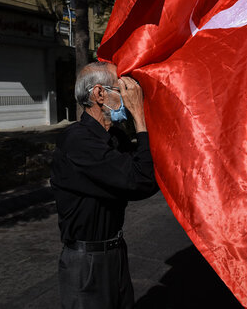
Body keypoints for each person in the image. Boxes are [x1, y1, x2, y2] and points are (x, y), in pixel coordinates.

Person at [51, 61, 159, 309]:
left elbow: (148, 173)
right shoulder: (77, 141)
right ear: (99, 94)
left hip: (115, 253)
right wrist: (139, 117)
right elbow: (141, 181)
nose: (129, 95)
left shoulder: (115, 137)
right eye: (122, 87)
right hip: (86, 263)